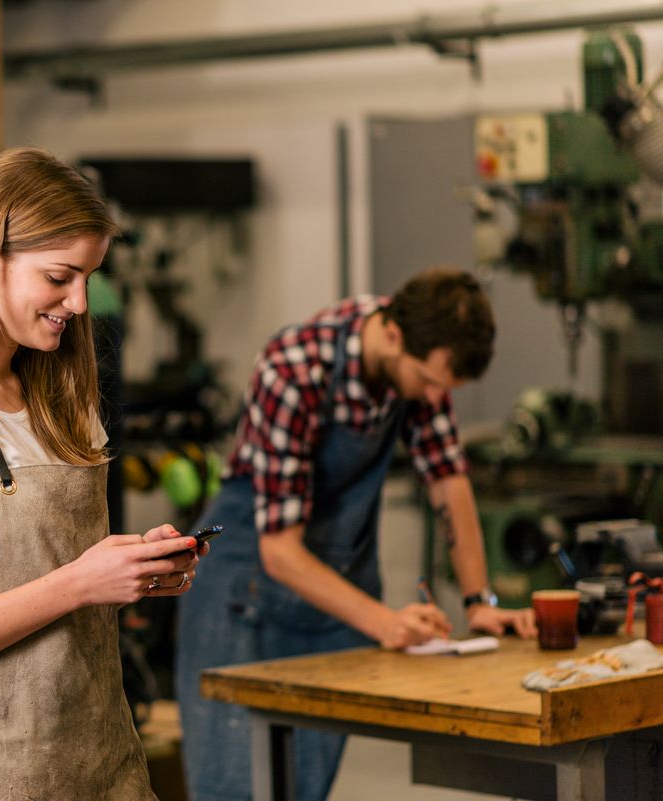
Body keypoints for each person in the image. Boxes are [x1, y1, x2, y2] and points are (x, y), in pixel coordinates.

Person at [0, 146, 203, 800]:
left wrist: (130, 570)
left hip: (101, 753)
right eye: (59, 277)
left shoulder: (61, 397)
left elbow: (70, 571)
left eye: (88, 277)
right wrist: (81, 582)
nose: (79, 302)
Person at [175, 268, 538, 801]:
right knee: (236, 788)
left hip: (334, 599)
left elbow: (449, 485)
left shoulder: (416, 357)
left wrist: (479, 602)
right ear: (392, 335)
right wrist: (386, 621)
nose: (435, 396)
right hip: (246, 593)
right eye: (429, 381)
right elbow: (280, 552)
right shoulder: (295, 369)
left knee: (304, 790)